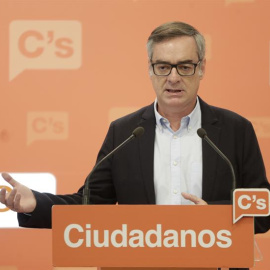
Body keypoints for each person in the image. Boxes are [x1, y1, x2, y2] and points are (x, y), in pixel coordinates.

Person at [1, 22, 270, 269]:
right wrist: (36, 202)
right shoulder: (125, 132)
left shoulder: (236, 129)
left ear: (201, 68)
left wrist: (215, 217)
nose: (173, 77)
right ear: (150, 69)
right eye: (163, 66)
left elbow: (263, 210)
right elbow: (91, 203)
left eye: (185, 66)